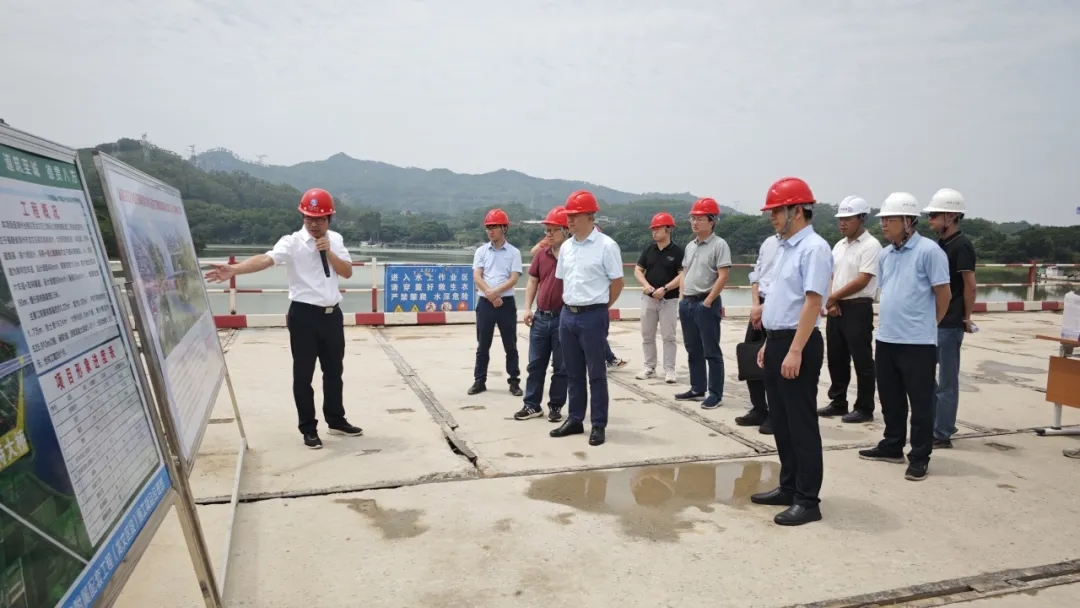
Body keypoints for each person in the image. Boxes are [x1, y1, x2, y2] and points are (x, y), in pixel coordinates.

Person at [204, 188, 363, 449]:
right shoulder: (292, 242)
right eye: (309, 218)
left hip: (332, 315)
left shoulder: (335, 239)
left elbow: (346, 272)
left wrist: (329, 252)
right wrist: (234, 269)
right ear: (302, 216)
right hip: (304, 316)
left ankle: (336, 420)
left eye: (319, 219)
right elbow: (266, 260)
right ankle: (308, 428)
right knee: (303, 374)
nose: (314, 224)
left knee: (334, 371)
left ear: (329, 219)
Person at [749, 177, 832, 526]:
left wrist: (795, 350)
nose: (772, 217)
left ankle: (808, 500)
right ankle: (789, 486)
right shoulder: (785, 247)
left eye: (777, 211)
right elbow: (780, 300)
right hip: (778, 341)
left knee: (801, 425)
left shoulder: (814, 248)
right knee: (781, 423)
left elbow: (812, 303)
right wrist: (770, 342)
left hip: (799, 342)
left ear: (797, 211)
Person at [858, 192, 951, 482]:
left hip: (918, 343)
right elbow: (888, 290)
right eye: (883, 219)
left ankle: (920, 456)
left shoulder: (929, 252)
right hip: (887, 339)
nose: (884, 224)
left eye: (890, 219)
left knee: (921, 403)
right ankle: (892, 444)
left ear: (908, 221)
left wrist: (928, 325)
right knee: (890, 398)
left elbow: (944, 295)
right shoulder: (885, 255)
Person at [550, 190, 624, 446]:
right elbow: (563, 280)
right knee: (573, 372)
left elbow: (617, 283)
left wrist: (601, 307)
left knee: (596, 373)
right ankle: (575, 419)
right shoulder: (566, 247)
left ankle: (598, 424)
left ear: (590, 216)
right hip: (567, 316)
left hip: (593, 316)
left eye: (575, 215)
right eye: (568, 215)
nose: (569, 220)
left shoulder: (606, 245)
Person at [818, 195, 882, 423]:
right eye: (840, 219)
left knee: (862, 359)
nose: (842, 223)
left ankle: (864, 407)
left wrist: (832, 297)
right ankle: (838, 401)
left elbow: (863, 280)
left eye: (848, 219)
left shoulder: (871, 245)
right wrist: (832, 301)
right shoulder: (839, 245)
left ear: (862, 218)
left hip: (857, 307)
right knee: (836, 357)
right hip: (836, 306)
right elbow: (831, 275)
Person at [924, 188, 977, 449]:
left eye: (935, 215)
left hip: (950, 321)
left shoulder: (961, 245)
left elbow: (970, 285)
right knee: (925, 376)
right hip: (934, 321)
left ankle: (942, 432)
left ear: (951, 216)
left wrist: (966, 317)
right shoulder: (939, 245)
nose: (930, 220)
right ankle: (937, 422)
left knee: (947, 381)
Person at [675, 197, 732, 409]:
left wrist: (708, 302)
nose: (695, 222)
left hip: (705, 303)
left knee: (711, 351)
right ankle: (697, 388)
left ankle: (715, 394)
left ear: (712, 221)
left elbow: (723, 276)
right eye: (693, 218)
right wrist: (682, 298)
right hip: (687, 303)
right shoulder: (690, 246)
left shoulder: (719, 245)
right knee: (693, 349)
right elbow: (684, 272)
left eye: (700, 219)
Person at [516, 206, 569, 422]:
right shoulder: (542, 255)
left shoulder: (573, 256)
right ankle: (531, 405)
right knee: (535, 365)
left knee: (561, 367)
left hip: (563, 318)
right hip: (540, 318)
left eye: (553, 230)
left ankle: (555, 405)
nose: (548, 234)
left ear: (566, 230)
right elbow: (532, 281)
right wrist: (528, 307)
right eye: (546, 230)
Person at [469, 208, 524, 396]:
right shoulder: (481, 251)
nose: (490, 231)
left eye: (494, 227)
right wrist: (491, 295)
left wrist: (496, 292)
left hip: (506, 304)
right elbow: (477, 276)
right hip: (486, 303)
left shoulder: (514, 252)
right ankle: (479, 381)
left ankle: (514, 381)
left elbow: (514, 278)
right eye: (488, 227)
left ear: (504, 228)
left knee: (511, 345)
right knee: (483, 345)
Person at [735, 231, 781, 434]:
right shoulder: (769, 242)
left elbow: (784, 286)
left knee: (773, 361)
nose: (774, 218)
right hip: (760, 304)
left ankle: (776, 413)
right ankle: (759, 407)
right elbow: (757, 274)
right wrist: (756, 305)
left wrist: (764, 308)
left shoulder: (800, 246)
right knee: (750, 358)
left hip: (779, 306)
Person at [633, 212, 684, 384]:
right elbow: (638, 270)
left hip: (669, 300)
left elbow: (682, 274)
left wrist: (665, 288)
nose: (654, 232)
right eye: (652, 229)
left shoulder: (677, 252)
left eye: (657, 228)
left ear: (668, 229)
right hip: (649, 298)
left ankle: (670, 369)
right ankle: (650, 367)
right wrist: (646, 285)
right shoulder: (649, 250)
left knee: (668, 336)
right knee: (647, 335)